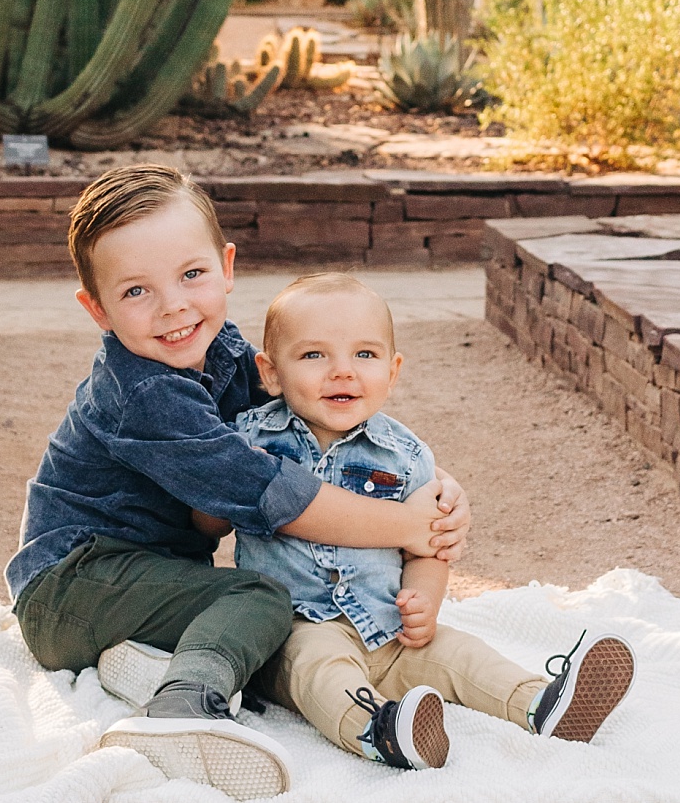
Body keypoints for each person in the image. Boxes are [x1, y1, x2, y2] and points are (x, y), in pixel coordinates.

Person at [6, 165, 467, 802]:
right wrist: (409, 526)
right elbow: (270, 493)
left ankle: (151, 665)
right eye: (136, 291)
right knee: (262, 598)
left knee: (277, 627)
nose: (173, 305)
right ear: (97, 309)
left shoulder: (222, 348)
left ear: (226, 267)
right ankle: (184, 710)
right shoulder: (144, 395)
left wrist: (432, 486)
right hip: (72, 582)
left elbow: (308, 426)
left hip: (148, 578)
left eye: (191, 275)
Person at [222, 272, 636, 770]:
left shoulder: (407, 454)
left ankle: (542, 704)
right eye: (314, 355)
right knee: (320, 673)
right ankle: (381, 731)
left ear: (393, 372)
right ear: (270, 373)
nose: (342, 372)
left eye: (365, 355)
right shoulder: (249, 441)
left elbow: (429, 546)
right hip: (296, 626)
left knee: (461, 654)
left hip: (387, 626)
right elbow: (211, 514)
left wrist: (425, 601)